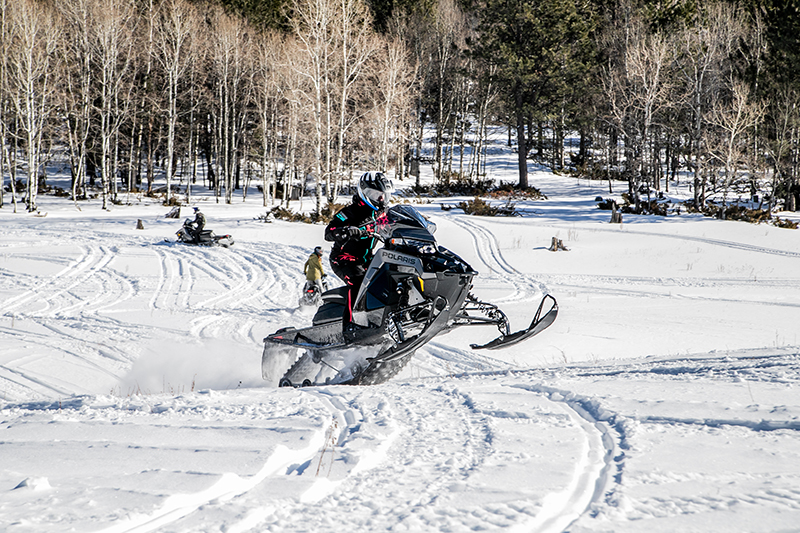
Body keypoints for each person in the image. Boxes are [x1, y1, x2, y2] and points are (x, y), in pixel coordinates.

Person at [325, 172, 392, 334]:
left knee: (389, 277)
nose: (381, 199)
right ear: (364, 193)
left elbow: (393, 226)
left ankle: (387, 318)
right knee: (358, 281)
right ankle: (349, 327)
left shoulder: (382, 214)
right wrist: (345, 231)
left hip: (368, 259)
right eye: (376, 195)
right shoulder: (351, 212)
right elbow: (329, 231)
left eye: (384, 195)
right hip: (345, 259)